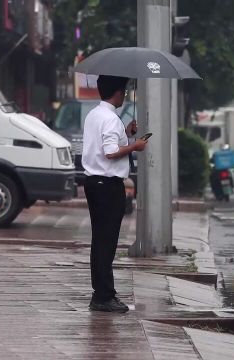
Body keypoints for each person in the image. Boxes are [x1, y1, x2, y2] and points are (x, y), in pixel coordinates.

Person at [82, 75, 147, 313]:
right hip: (108, 186)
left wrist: (126, 134)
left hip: (94, 183)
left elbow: (104, 146)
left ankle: (102, 293)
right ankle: (103, 296)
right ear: (118, 93)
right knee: (105, 242)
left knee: (100, 240)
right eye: (125, 91)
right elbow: (110, 152)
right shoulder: (110, 119)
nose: (125, 95)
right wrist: (135, 146)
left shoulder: (95, 115)